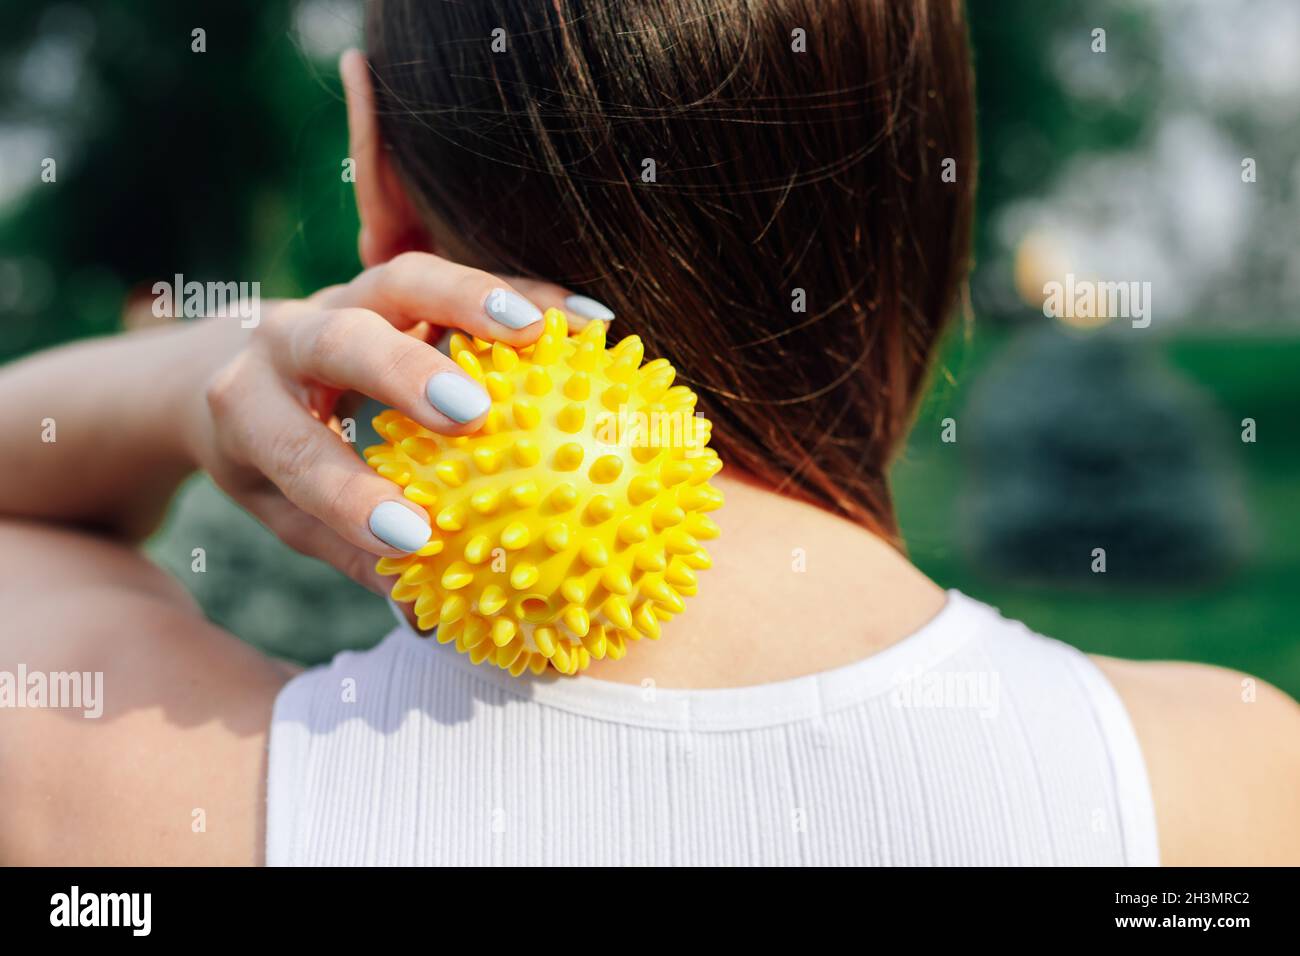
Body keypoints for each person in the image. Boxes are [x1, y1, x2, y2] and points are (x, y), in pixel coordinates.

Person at [0, 0, 1296, 866]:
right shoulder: (1232, 783)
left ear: (375, 168)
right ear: (921, 210)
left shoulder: (117, 783)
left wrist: (203, 370)